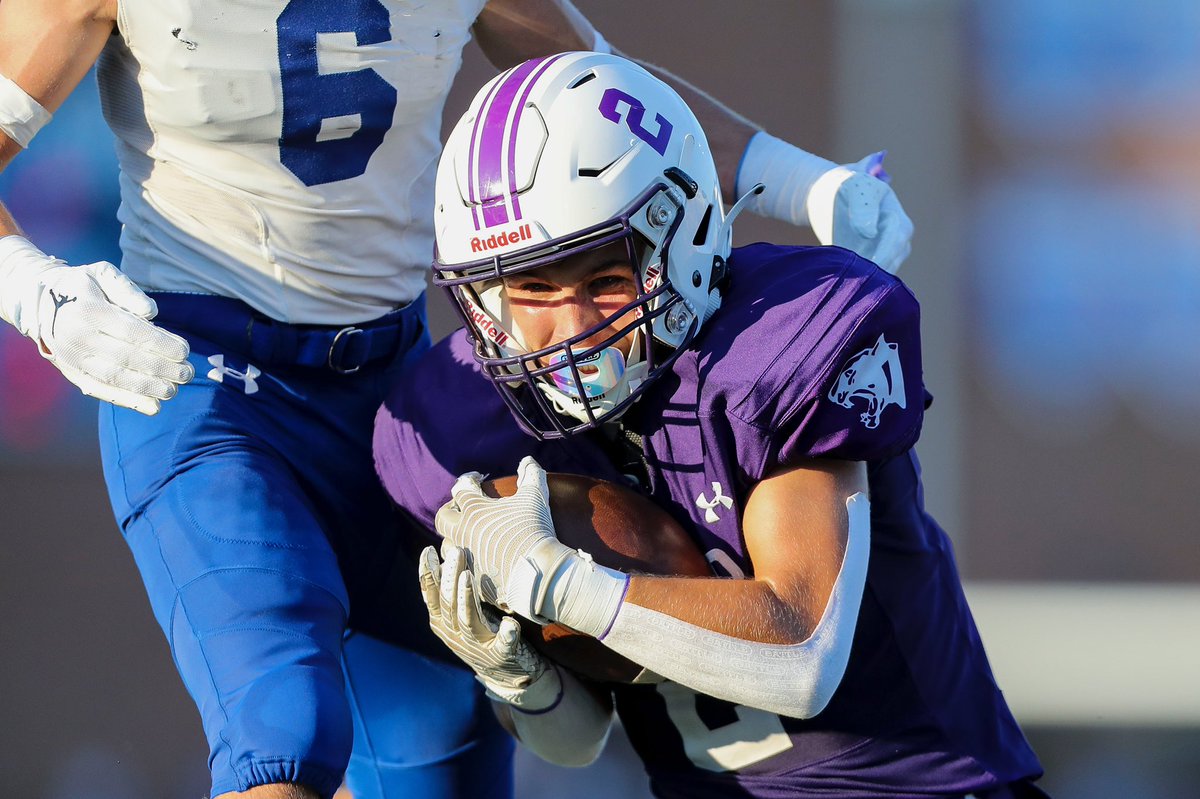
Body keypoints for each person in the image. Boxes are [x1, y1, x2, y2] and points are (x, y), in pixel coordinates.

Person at [0, 2, 911, 798]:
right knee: (281, 728)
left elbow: (611, 105)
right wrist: (34, 292)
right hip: (209, 381)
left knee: (443, 756)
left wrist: (803, 181)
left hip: (392, 393)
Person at [373, 51, 1048, 798]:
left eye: (603, 279)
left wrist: (558, 582)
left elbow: (799, 652)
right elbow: (581, 738)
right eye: (531, 288)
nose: (570, 331)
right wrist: (523, 681)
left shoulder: (777, 346)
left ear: (683, 238)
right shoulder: (455, 422)